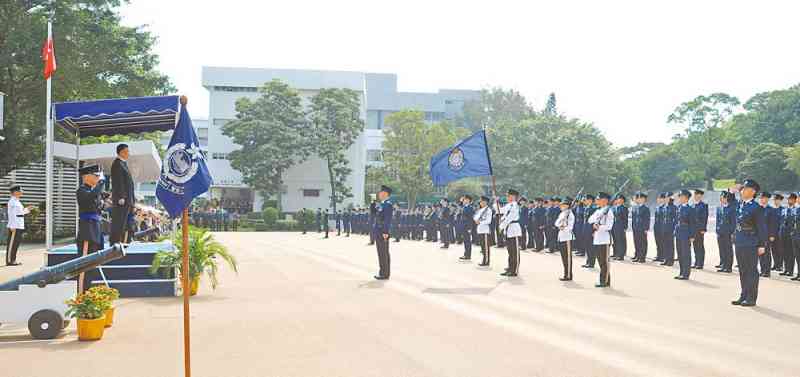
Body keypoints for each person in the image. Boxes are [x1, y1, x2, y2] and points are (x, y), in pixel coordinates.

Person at [731, 179, 768, 307]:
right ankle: (744, 295)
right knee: (742, 270)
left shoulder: (756, 207)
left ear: (752, 192)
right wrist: (731, 191)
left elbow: (761, 227)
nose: (742, 191)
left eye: (745, 189)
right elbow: (730, 202)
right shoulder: (741, 204)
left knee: (751, 270)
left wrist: (762, 245)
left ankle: (751, 298)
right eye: (742, 189)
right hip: (740, 241)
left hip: (751, 242)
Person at [76, 165, 105, 292]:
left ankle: (87, 291)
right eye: (95, 176)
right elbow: (89, 198)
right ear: (86, 176)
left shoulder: (93, 191)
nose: (97, 178)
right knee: (84, 265)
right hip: (87, 230)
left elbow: (98, 207)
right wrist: (100, 185)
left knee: (92, 265)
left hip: (95, 229)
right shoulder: (81, 190)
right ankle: (81, 294)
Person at [588, 192, 614, 287]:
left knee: (604, 262)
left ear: (605, 200)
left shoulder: (609, 212)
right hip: (597, 239)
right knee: (600, 261)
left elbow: (609, 226)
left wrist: (599, 226)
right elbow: (590, 219)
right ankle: (603, 280)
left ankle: (605, 281)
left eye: (598, 199)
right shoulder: (599, 211)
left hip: (605, 239)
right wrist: (596, 221)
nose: (596, 201)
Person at [111, 143, 135, 244]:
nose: (128, 153)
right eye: (127, 151)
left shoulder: (123, 164)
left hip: (128, 199)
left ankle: (126, 241)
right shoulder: (117, 164)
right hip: (123, 200)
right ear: (121, 152)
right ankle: (116, 243)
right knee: (120, 222)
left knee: (128, 223)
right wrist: (121, 196)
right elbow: (118, 181)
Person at [5, 185, 34, 266]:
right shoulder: (12, 201)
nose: (22, 192)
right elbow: (12, 215)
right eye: (20, 190)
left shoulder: (17, 201)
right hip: (15, 226)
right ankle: (10, 261)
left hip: (19, 225)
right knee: (12, 244)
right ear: (15, 192)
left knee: (16, 244)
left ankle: (13, 260)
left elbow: (20, 213)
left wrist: (28, 209)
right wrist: (12, 226)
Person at [499, 189, 523, 277]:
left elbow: (510, 218)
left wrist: (501, 226)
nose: (507, 197)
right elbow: (499, 211)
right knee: (510, 251)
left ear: (513, 196)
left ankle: (514, 270)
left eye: (508, 196)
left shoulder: (515, 205)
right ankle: (510, 268)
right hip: (509, 230)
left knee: (515, 251)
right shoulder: (509, 205)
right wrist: (495, 202)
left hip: (514, 230)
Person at [674, 190, 696, 280]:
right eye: (679, 196)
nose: (680, 198)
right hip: (679, 232)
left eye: (681, 196)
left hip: (686, 233)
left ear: (686, 198)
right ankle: (681, 272)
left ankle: (686, 274)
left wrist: (692, 236)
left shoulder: (690, 209)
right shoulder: (679, 207)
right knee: (680, 254)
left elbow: (693, 223)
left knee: (686, 254)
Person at [373, 185, 394, 280]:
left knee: (383, 252)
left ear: (385, 194)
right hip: (379, 231)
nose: (379, 194)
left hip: (383, 232)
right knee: (381, 252)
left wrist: (385, 231)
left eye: (381, 193)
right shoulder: (382, 204)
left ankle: (384, 274)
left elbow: (387, 220)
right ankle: (383, 272)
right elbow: (374, 215)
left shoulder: (388, 204)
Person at [758, 192, 778, 277]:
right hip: (758, 235)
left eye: (763, 198)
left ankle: (767, 271)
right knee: (760, 253)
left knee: (766, 253)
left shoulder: (771, 210)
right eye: (761, 198)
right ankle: (762, 270)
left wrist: (772, 235)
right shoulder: (758, 209)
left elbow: (773, 224)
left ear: (767, 199)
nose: (761, 199)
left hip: (767, 235)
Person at [716, 192, 737, 273]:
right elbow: (718, 220)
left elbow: (733, 222)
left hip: (728, 232)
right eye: (721, 197)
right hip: (720, 232)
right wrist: (717, 230)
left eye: (724, 198)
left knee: (728, 250)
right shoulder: (719, 208)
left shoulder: (731, 208)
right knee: (722, 249)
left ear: (727, 198)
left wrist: (731, 232)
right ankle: (723, 265)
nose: (722, 199)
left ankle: (728, 267)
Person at [556, 197, 575, 281]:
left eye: (563, 205)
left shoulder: (570, 214)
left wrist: (564, 227)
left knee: (568, 257)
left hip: (567, 237)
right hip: (561, 237)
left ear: (567, 206)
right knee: (563, 257)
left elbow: (570, 227)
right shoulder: (562, 214)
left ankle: (568, 275)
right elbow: (556, 223)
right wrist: (560, 224)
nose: (561, 206)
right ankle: (565, 273)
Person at [691, 189, 709, 269]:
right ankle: (696, 262)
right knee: (695, 245)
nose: (695, 196)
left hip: (699, 229)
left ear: (700, 196)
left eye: (697, 195)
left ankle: (700, 263)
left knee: (700, 246)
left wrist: (703, 229)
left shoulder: (703, 205)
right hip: (693, 229)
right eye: (695, 195)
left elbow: (704, 218)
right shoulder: (693, 205)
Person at [631, 192, 651, 263]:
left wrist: (646, 228)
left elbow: (647, 219)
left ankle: (642, 257)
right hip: (636, 227)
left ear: (643, 199)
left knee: (643, 243)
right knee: (636, 242)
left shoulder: (646, 208)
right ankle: (638, 255)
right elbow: (634, 218)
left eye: (639, 198)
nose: (638, 199)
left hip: (642, 228)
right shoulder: (636, 207)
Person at [780, 193, 797, 276]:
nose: (789, 200)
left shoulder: (796, 210)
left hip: (791, 233)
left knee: (791, 253)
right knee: (784, 252)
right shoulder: (784, 209)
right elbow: (781, 221)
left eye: (791, 199)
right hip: (783, 233)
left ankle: (790, 270)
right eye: (788, 199)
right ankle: (786, 269)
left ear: (794, 200)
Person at [474, 196, 493, 267]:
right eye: (480, 201)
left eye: (481, 201)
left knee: (486, 247)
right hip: (480, 230)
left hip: (485, 230)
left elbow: (489, 221)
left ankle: (486, 261)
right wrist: (477, 220)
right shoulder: (480, 210)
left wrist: (480, 222)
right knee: (482, 247)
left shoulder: (488, 210)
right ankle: (484, 260)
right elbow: (475, 217)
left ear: (485, 202)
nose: (480, 203)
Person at [611, 194, 629, 261]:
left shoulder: (624, 208)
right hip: (614, 226)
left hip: (620, 226)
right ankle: (615, 253)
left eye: (621, 199)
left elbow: (625, 219)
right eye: (618, 199)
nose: (619, 200)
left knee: (620, 241)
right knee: (615, 240)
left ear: (623, 201)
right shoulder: (613, 207)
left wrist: (625, 227)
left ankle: (621, 255)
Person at [459, 195, 475, 261]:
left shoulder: (470, 208)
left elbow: (471, 219)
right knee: (465, 241)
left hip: (467, 227)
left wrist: (469, 228)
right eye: (464, 199)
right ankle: (466, 254)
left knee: (468, 241)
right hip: (463, 226)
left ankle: (468, 255)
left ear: (468, 200)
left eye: (465, 199)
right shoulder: (464, 207)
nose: (464, 200)